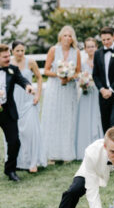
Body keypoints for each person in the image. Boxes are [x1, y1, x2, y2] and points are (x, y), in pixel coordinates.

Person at [41, 25, 81, 162]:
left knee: (68, 119)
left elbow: (78, 72)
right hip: (55, 88)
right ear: (60, 37)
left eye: (70, 36)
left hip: (69, 90)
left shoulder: (76, 52)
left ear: (72, 39)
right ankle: (51, 154)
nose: (67, 38)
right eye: (65, 35)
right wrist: (58, 74)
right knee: (54, 118)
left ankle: (66, 153)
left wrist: (70, 76)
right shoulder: (53, 50)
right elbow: (46, 70)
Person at [1, 43, 36, 181]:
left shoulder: (12, 69)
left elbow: (22, 80)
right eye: (4, 57)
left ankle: (10, 170)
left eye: (8, 55)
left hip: (8, 111)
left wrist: (28, 86)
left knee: (15, 141)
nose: (8, 58)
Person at [12, 42, 45, 173]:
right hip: (14, 101)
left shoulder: (30, 62)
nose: (20, 53)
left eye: (22, 50)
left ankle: (33, 162)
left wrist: (38, 94)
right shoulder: (8, 63)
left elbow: (39, 77)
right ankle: (19, 162)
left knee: (32, 132)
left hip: (29, 101)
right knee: (17, 132)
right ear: (12, 51)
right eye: (17, 50)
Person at [74, 38, 103, 160]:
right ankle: (83, 149)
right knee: (84, 119)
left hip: (97, 92)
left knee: (97, 118)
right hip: (86, 94)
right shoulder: (83, 63)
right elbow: (77, 76)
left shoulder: (101, 61)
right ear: (85, 49)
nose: (91, 49)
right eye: (88, 47)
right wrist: (82, 82)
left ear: (96, 47)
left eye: (93, 46)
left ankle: (98, 150)